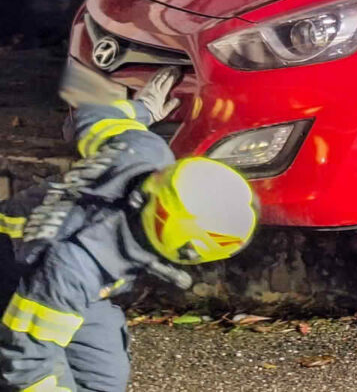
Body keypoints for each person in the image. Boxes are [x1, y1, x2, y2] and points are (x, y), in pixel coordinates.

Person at [1, 74, 257, 391]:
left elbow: (96, 116)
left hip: (73, 278)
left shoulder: (145, 153)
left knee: (102, 380)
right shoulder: (76, 266)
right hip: (17, 266)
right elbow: (26, 362)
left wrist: (142, 109)